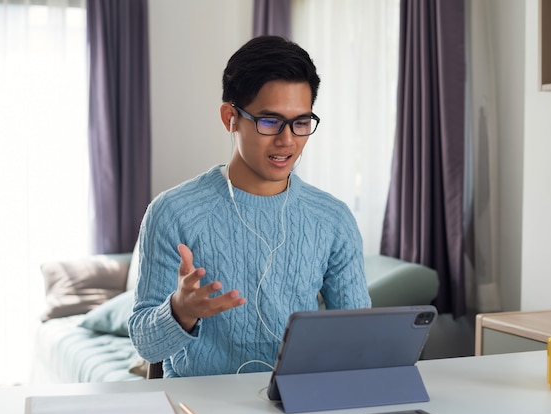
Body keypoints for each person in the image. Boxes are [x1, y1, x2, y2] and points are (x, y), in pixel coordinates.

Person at [128, 35, 372, 378]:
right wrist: (180, 311)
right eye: (270, 121)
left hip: (298, 402)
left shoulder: (332, 218)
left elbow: (358, 337)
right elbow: (145, 344)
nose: (287, 140)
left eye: (301, 122)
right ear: (230, 117)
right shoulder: (172, 212)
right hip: (203, 405)